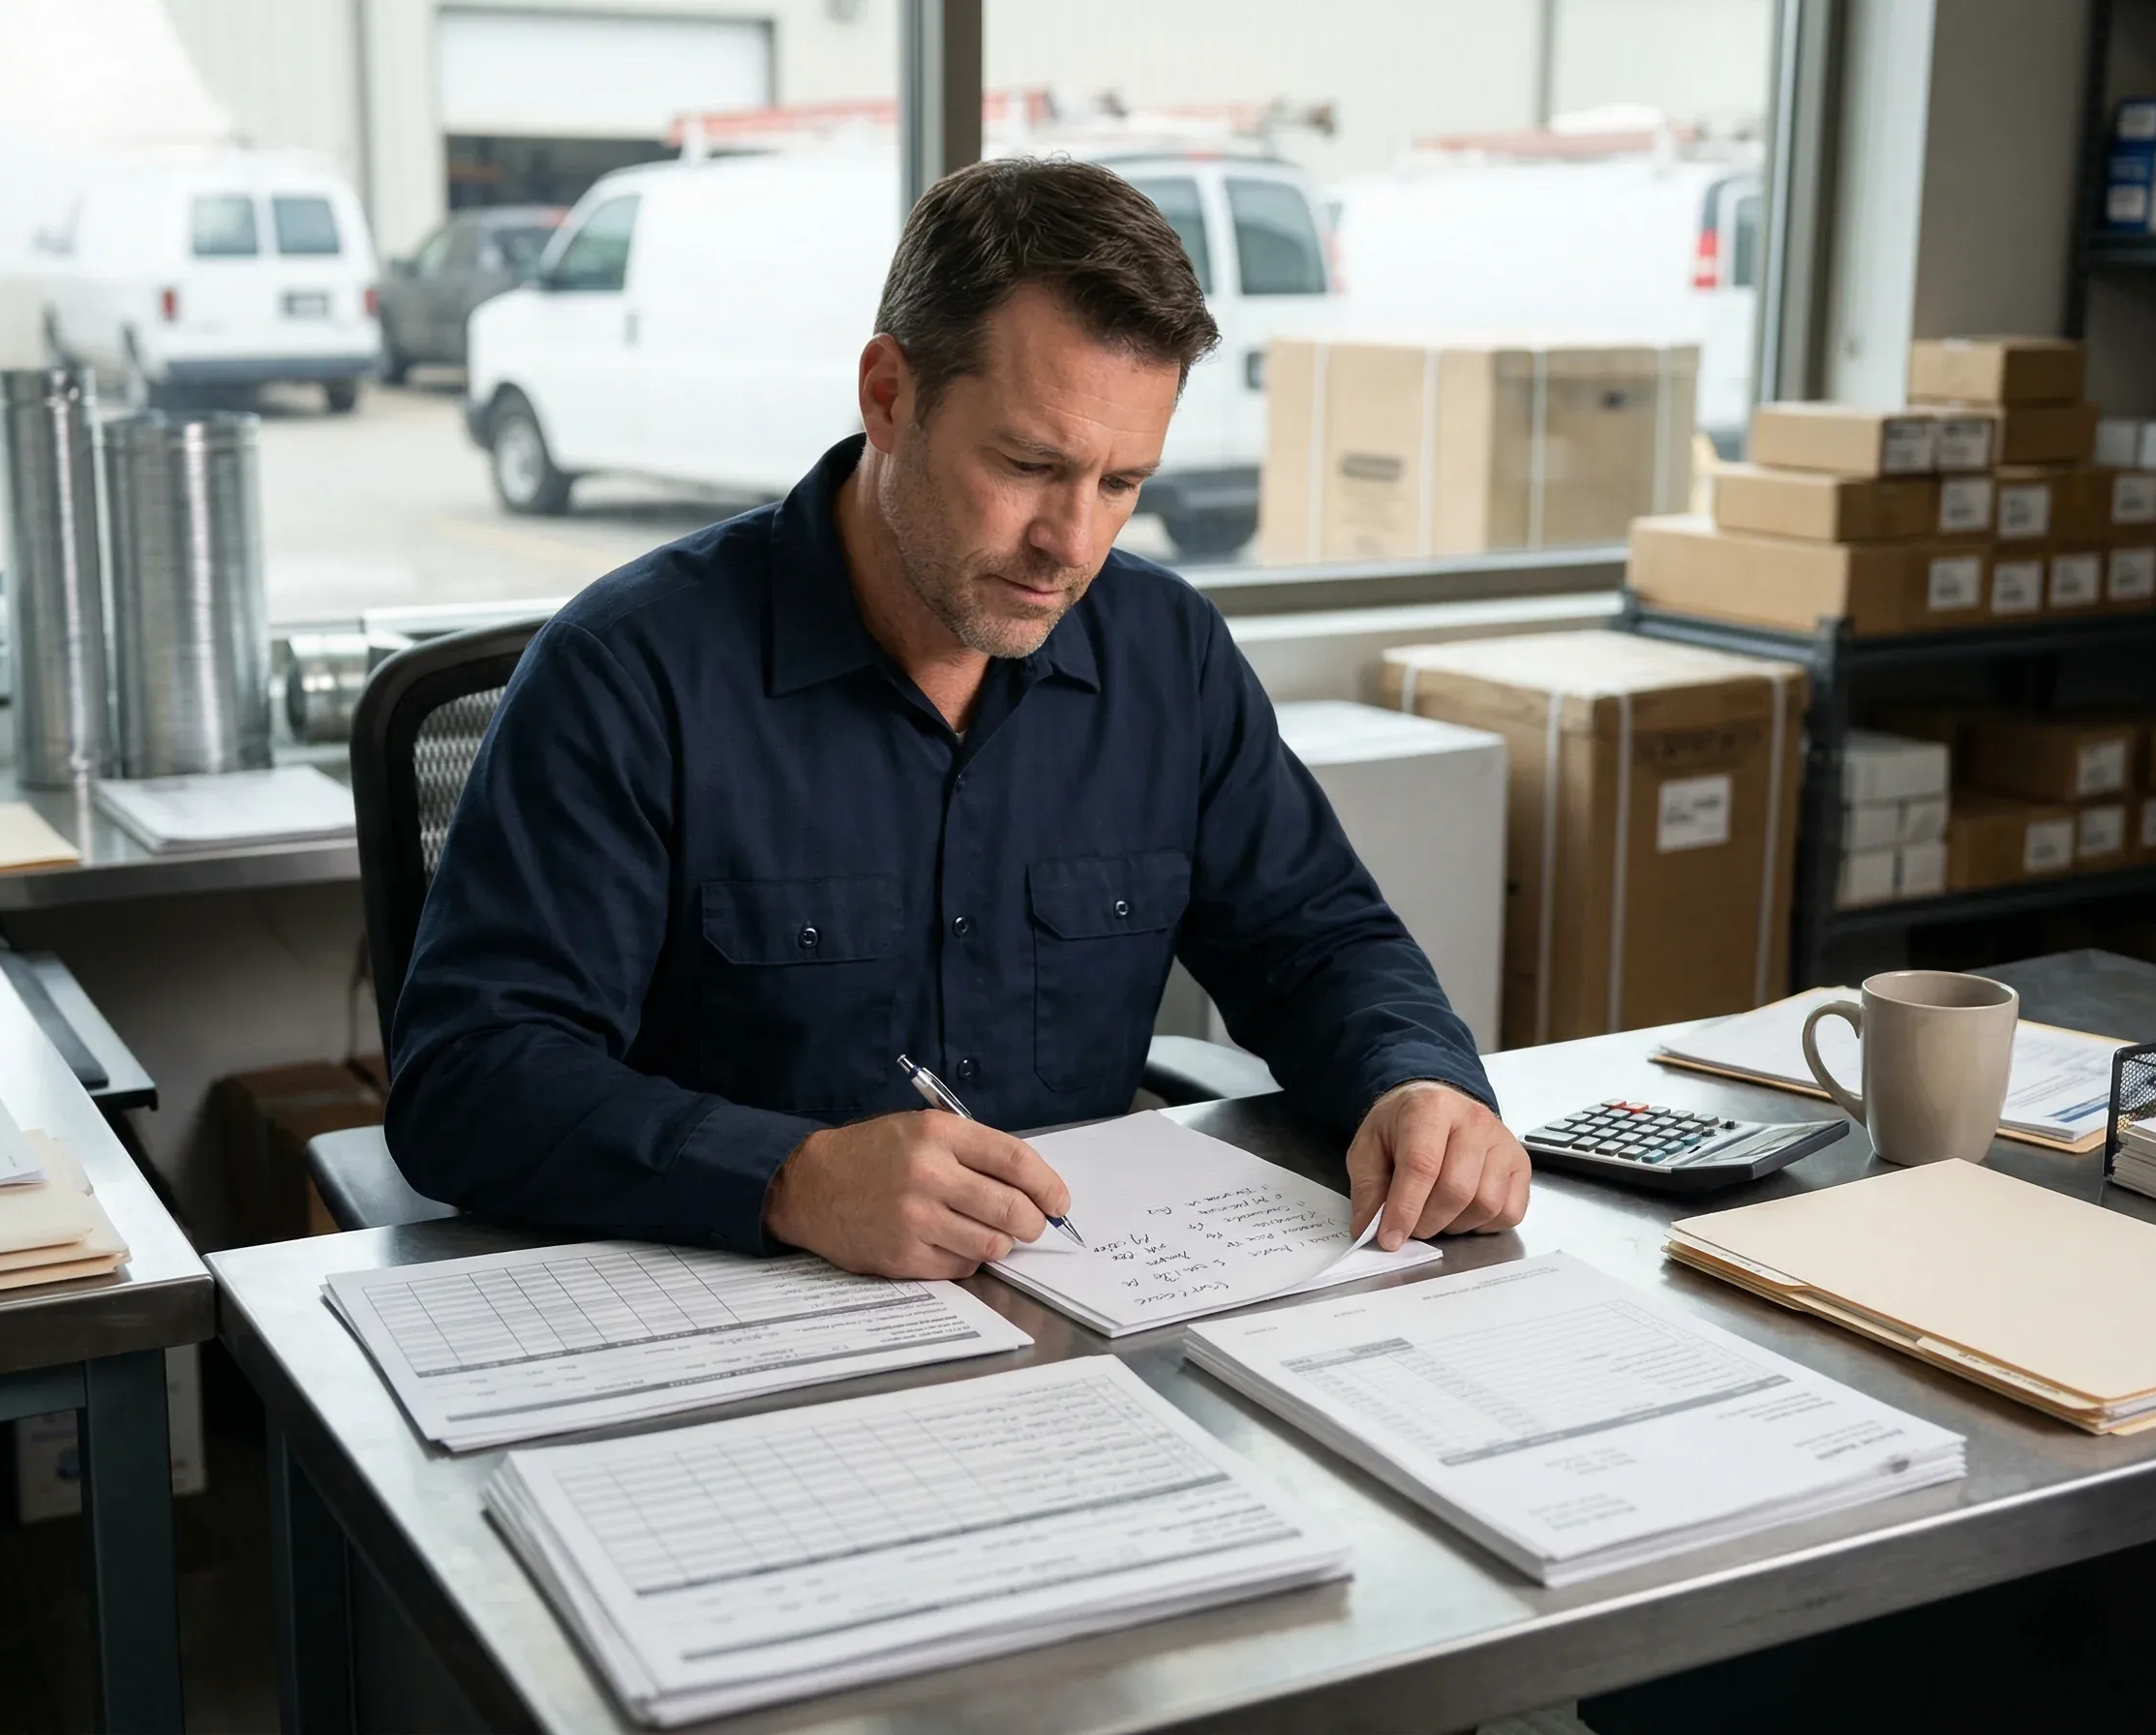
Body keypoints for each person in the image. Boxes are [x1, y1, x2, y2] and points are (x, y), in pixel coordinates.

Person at [386, 156, 1530, 1279]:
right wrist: (790, 1174)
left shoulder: (1164, 656)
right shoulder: (628, 673)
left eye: (1123, 483)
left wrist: (1416, 1079)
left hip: (1080, 1303)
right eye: (1031, 464)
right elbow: (468, 1079)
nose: (1073, 544)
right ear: (890, 397)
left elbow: (1320, 941)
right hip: (730, 1314)